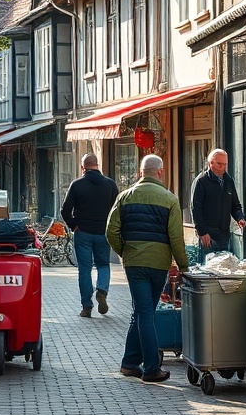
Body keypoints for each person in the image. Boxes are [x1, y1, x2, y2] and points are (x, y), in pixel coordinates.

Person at [106, 154, 189, 383]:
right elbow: (176, 238)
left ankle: (129, 363)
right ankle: (151, 368)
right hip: (158, 264)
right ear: (160, 172)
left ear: (140, 172)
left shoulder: (124, 197)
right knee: (146, 313)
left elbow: (111, 231)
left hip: (134, 263)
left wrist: (125, 251)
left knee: (141, 312)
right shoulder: (170, 199)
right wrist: (183, 266)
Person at [61, 152, 119, 318]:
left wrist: (74, 225)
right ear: (97, 165)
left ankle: (87, 307)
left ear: (82, 167)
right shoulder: (110, 185)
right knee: (103, 265)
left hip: (83, 233)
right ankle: (102, 290)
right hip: (103, 233)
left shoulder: (77, 185)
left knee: (84, 270)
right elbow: (117, 210)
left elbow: (65, 210)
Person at [190, 148, 246, 255]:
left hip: (224, 234)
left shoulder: (228, 181)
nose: (222, 167)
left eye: (225, 164)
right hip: (208, 234)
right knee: (208, 264)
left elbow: (235, 205)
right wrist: (202, 232)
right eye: (219, 164)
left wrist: (240, 218)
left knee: (225, 263)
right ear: (210, 163)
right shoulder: (201, 181)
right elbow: (196, 209)